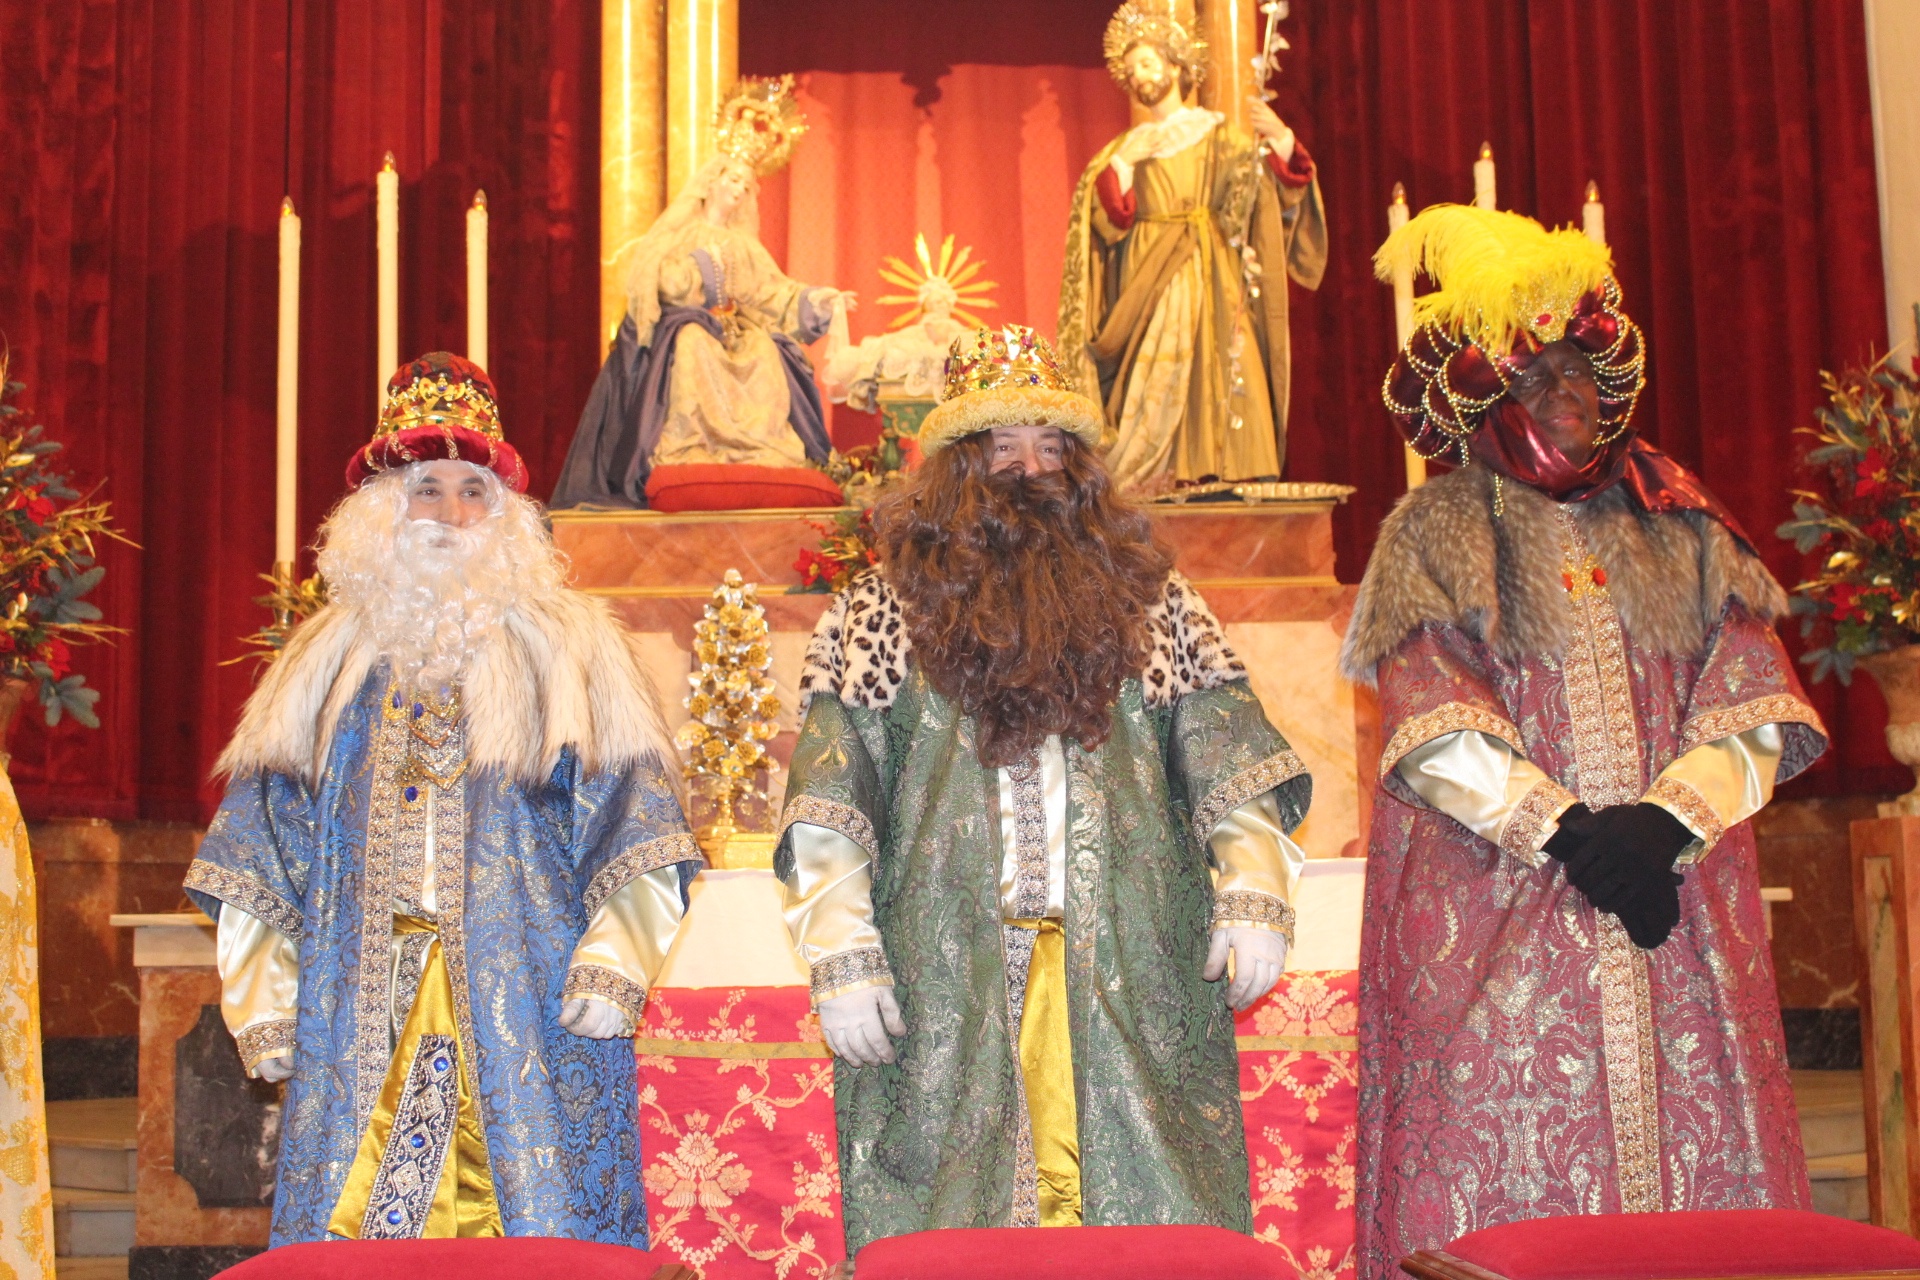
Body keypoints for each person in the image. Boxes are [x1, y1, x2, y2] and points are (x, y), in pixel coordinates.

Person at [1342, 206, 1827, 1278]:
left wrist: (1662, 824)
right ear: (1488, 401)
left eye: (1580, 373)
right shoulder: (1433, 534)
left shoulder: (1682, 521)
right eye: (1537, 377)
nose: (1569, 394)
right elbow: (1430, 717)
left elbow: (1752, 694)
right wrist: (1568, 833)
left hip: (1677, 901)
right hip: (1501, 906)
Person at [776, 323, 1311, 1250]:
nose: (1031, 469)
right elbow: (833, 796)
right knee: (957, 1241)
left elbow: (1227, 754)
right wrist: (842, 953)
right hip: (946, 985)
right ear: (958, 463)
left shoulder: (1152, 600)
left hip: (1136, 973)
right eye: (1004, 447)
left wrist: (1256, 890)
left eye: (1052, 447)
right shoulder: (880, 608)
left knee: (1147, 1240)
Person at [185, 353, 702, 1245]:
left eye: (473, 493)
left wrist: (615, 966)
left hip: (531, 1010)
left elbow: (637, 828)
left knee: (536, 1234)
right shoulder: (324, 665)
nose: (451, 515)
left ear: (506, 516)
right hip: (358, 1011)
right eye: (427, 490)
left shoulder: (573, 653)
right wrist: (264, 1000)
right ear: (385, 508)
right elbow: (259, 849)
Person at [1058, 0, 1327, 496]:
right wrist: (1120, 170)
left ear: (1177, 65)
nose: (1140, 76)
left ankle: (1228, 470)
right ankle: (1157, 471)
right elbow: (1105, 226)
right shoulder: (1123, 149)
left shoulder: (1218, 135)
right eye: (1131, 69)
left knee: (1223, 363)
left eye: (1148, 63)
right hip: (1146, 280)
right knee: (1151, 375)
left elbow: (1255, 198)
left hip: (1211, 273)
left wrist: (1282, 141)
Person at [553, 75, 856, 508]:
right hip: (688, 323)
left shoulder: (744, 246)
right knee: (693, 343)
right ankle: (690, 443)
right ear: (711, 181)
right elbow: (656, 280)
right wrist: (695, 268)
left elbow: (773, 293)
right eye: (732, 180)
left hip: (736, 328)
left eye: (746, 186)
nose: (738, 190)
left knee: (766, 351)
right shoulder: (680, 232)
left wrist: (820, 300)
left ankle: (761, 448)